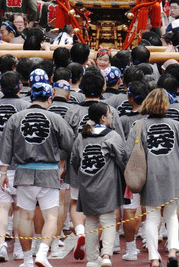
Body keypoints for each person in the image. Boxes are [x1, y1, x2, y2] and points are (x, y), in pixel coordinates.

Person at [0, 78, 74, 267]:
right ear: (49, 99)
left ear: (31, 97)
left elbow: (5, 147)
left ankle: (28, 258)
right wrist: (60, 160)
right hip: (49, 173)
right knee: (51, 217)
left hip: (24, 173)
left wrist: (3, 173)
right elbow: (69, 143)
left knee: (25, 217)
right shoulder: (55, 118)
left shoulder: (16, 118)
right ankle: (43, 253)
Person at [132, 87, 179, 267]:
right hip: (173, 173)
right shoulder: (176, 125)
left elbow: (128, 153)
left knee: (152, 217)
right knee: (171, 215)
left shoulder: (139, 125)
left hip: (149, 174)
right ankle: (173, 251)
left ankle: (153, 258)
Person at [70, 101, 127, 267]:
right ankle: (107, 255)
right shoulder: (112, 136)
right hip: (107, 183)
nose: (111, 116)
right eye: (109, 114)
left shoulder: (82, 136)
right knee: (108, 220)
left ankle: (92, 259)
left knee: (91, 221)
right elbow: (122, 159)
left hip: (87, 184)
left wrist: (84, 174)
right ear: (103, 118)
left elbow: (75, 160)